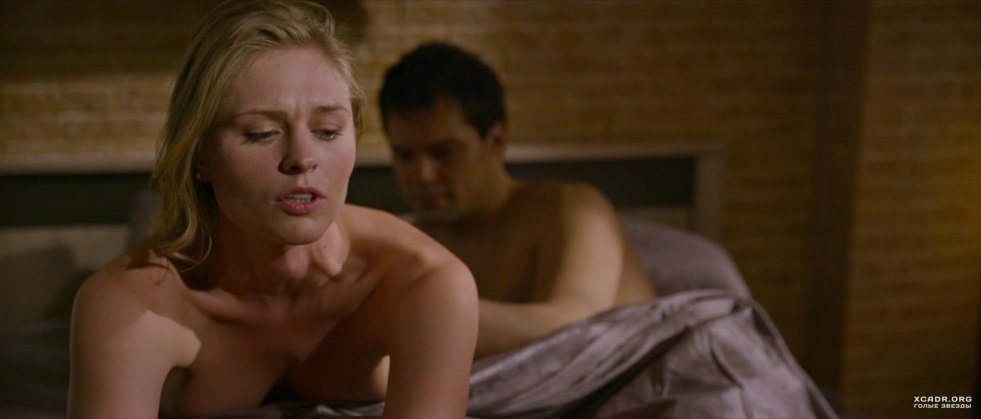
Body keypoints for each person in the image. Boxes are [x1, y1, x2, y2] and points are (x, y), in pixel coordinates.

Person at [67, 2, 477, 418]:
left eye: (327, 131)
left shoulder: (422, 279)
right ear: (199, 155)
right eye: (262, 133)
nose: (302, 158)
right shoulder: (132, 300)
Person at [378, 42, 656, 359]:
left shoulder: (568, 208)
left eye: (443, 152)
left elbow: (574, 328)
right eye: (404, 156)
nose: (423, 175)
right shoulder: (405, 243)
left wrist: (406, 314)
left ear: (496, 140)